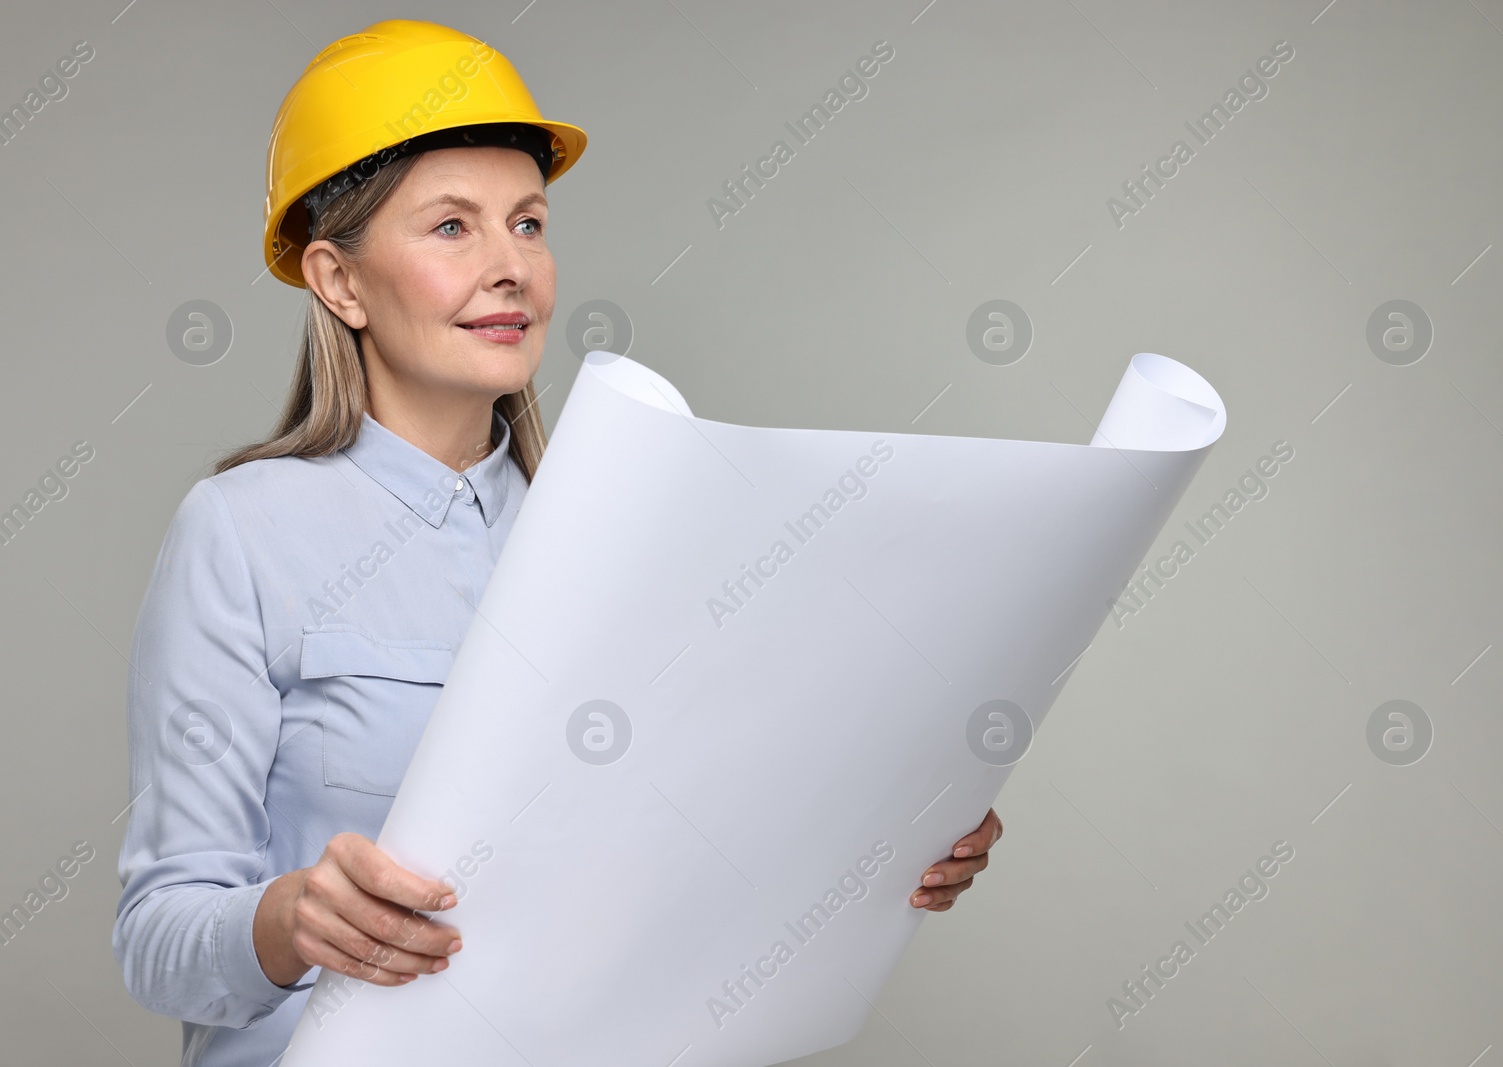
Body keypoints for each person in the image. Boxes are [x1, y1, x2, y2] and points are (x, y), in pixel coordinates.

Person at [113, 18, 1001, 1066]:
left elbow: (701, 851)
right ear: (338, 281)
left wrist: (888, 834)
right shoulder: (243, 531)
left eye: (527, 223)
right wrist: (289, 917)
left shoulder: (633, 533)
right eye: (451, 227)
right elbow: (157, 938)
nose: (509, 268)